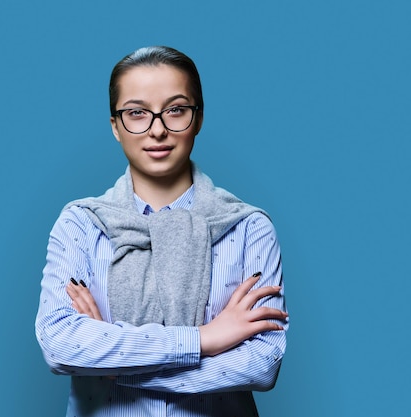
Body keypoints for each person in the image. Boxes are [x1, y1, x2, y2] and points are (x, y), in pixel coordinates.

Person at [35, 46, 288, 417]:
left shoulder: (249, 228)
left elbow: (262, 363)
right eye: (137, 113)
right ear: (115, 126)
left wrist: (113, 366)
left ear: (198, 119)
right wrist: (204, 340)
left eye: (176, 110)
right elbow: (59, 344)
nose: (157, 129)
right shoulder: (81, 225)